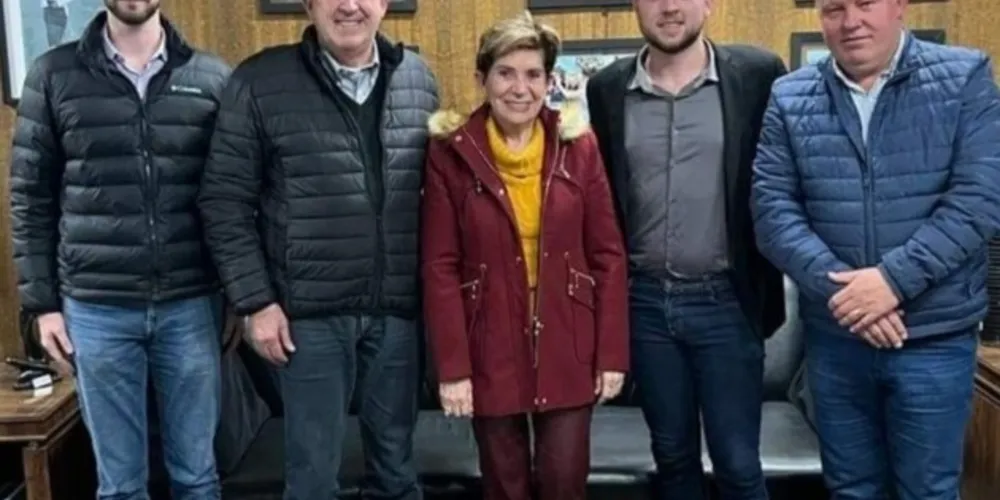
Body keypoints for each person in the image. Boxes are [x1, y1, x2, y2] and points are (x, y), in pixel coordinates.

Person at [751, 0, 1000, 498]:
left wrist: (891, 282)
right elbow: (772, 212)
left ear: (898, 5)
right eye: (834, 8)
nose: (851, 22)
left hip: (932, 339)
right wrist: (847, 296)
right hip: (837, 340)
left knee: (928, 491)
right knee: (851, 489)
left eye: (865, 3)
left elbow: (979, 200)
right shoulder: (789, 95)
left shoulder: (965, 77)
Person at [196, 0, 438, 498]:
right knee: (312, 481)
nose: (349, 6)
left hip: (396, 315)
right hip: (307, 320)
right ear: (308, 4)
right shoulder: (259, 81)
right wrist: (256, 302)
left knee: (397, 476)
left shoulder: (417, 79)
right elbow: (224, 201)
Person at [9, 1, 231, 498]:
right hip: (96, 310)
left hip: (191, 305)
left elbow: (235, 196)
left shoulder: (212, 78)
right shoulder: (53, 74)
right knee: (120, 486)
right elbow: (30, 197)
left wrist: (242, 294)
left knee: (197, 479)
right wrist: (42, 306)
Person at [421, 12, 629, 500]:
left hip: (569, 340)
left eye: (533, 74)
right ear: (482, 79)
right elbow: (439, 267)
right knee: (504, 486)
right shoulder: (450, 153)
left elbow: (608, 256)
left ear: (550, 82)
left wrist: (611, 355)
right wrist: (453, 369)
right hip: (488, 344)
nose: (520, 88)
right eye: (506, 73)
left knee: (564, 483)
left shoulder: (578, 146)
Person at [585, 1, 788, 499]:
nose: (670, 6)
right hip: (645, 307)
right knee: (672, 460)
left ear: (709, 4)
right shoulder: (606, 88)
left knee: (738, 465)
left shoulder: (757, 76)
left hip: (727, 302)